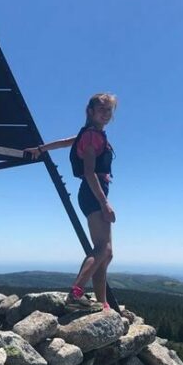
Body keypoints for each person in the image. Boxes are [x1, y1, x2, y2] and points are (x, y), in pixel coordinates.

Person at [24, 93, 117, 311]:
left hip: (91, 193)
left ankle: (102, 302)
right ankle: (76, 293)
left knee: (106, 253)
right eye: (101, 109)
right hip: (94, 192)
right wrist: (104, 203)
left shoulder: (88, 134)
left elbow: (65, 142)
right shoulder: (92, 136)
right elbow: (89, 171)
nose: (106, 113)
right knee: (102, 248)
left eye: (109, 110)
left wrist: (40, 149)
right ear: (90, 111)